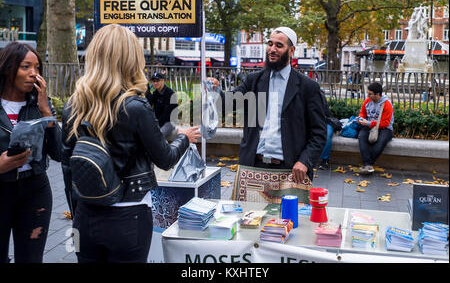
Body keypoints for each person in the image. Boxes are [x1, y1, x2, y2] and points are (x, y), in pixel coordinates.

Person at [61, 24, 200, 263]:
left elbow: (67, 167)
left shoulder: (74, 104)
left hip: (84, 215)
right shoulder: (135, 106)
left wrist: (76, 215)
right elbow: (165, 159)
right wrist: (184, 138)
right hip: (129, 215)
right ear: (131, 59)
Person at [209, 27, 326, 183]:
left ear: (291, 51)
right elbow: (226, 104)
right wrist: (214, 90)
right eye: (270, 44)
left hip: (291, 170)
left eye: (279, 45)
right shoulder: (253, 80)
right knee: (248, 209)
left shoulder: (308, 87)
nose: (272, 49)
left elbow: (318, 132)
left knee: (289, 209)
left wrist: (305, 161)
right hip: (253, 166)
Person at [0, 42, 62, 263]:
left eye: (37, 68)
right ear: (8, 68)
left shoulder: (39, 105)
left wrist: (46, 110)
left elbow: (59, 152)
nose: (33, 74)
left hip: (35, 190)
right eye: (26, 67)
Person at [356, 82, 394, 174]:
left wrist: (369, 123)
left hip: (385, 128)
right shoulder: (367, 101)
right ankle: (368, 166)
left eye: (370, 94)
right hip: (369, 126)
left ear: (377, 94)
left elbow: (385, 123)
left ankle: (367, 164)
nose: (368, 95)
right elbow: (362, 113)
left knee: (381, 141)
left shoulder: (387, 104)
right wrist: (360, 118)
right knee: (361, 137)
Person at [145, 72, 177, 138]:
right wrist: (147, 88)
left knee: (158, 136)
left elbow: (167, 114)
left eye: (157, 81)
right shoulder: (156, 93)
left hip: (169, 122)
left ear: (163, 81)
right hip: (158, 121)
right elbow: (149, 103)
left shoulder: (170, 94)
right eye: (153, 81)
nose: (155, 83)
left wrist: (156, 126)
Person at [318, 90, 342, 170]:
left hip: (325, 121)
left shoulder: (320, 96)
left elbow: (326, 114)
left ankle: (325, 160)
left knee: (327, 134)